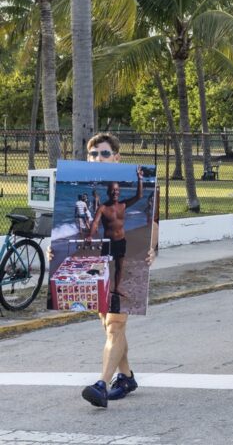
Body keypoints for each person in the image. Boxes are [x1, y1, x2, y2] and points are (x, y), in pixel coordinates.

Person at [80, 133, 157, 408]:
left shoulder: (127, 199)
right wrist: (55, 251)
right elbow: (88, 225)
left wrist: (153, 249)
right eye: (92, 154)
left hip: (124, 247)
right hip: (103, 250)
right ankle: (126, 377)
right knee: (107, 321)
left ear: (116, 157)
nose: (97, 158)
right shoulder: (99, 201)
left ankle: (101, 384)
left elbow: (153, 221)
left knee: (115, 323)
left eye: (103, 153)